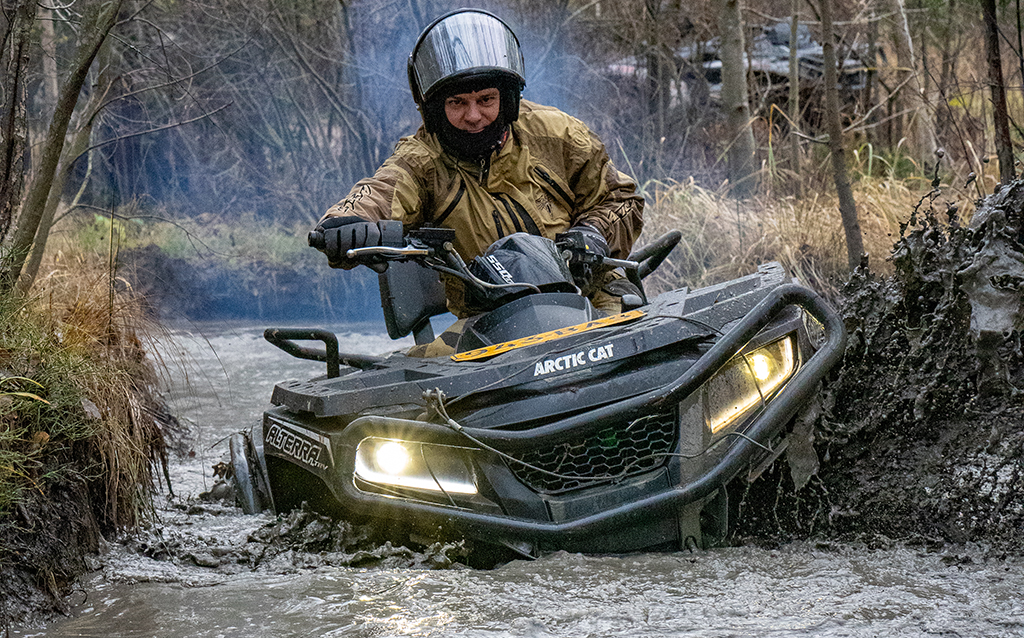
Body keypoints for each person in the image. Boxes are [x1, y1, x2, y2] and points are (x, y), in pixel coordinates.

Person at [311, 8, 644, 355]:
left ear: (507, 100)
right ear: (435, 108)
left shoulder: (557, 134)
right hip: (489, 322)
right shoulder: (421, 162)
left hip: (589, 295)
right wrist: (345, 225)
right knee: (413, 378)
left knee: (633, 342)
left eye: (486, 100)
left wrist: (593, 233)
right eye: (457, 103)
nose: (473, 116)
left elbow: (621, 199)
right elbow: (380, 193)